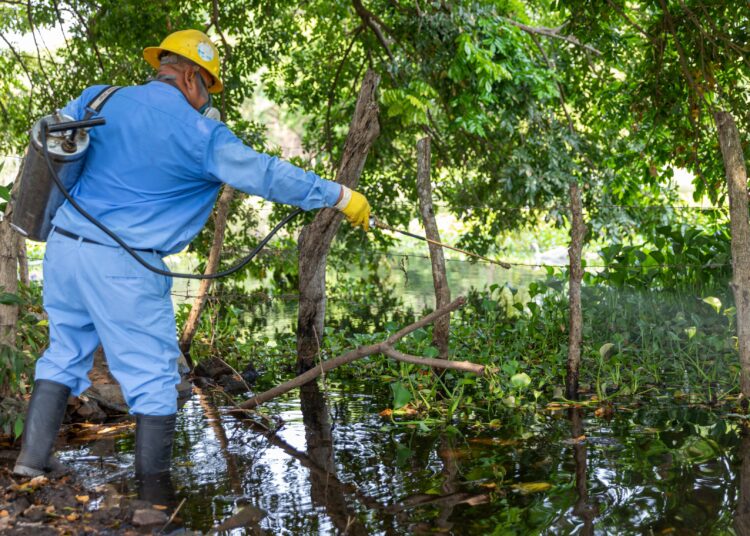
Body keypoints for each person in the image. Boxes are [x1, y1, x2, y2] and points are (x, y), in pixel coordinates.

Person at [13, 29, 371, 479]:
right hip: (124, 262)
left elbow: (52, 143)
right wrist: (339, 195)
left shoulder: (99, 99)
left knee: (64, 352)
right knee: (154, 381)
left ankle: (32, 461)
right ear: (190, 78)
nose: (205, 100)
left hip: (65, 249)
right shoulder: (202, 134)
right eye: (206, 88)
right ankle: (154, 510)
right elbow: (265, 173)